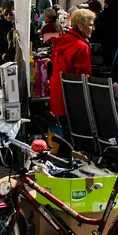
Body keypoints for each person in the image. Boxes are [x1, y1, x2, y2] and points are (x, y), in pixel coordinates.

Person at [49, 8, 94, 145]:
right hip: (71, 98)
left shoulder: (63, 41)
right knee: (74, 139)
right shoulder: (81, 46)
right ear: (81, 26)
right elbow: (82, 77)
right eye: (91, 24)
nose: (93, 28)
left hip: (58, 93)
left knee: (64, 135)